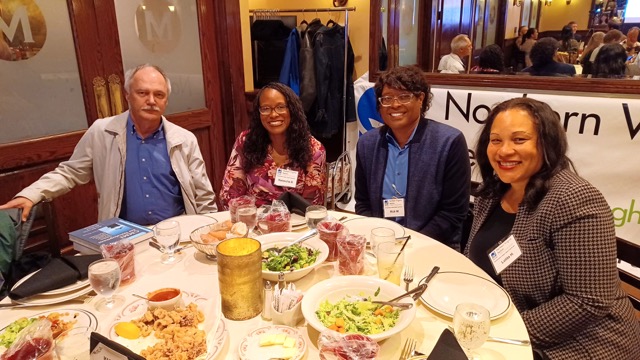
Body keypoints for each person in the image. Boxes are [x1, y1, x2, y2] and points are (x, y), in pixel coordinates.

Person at [466, 97, 640, 360]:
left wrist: (505, 331)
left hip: (586, 341)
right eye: (496, 140)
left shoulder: (574, 198)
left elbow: (588, 302)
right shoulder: (492, 192)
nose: (503, 151)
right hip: (504, 323)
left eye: (519, 140)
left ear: (547, 143)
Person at [0, 64, 217, 225]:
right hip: (125, 235)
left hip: (176, 230)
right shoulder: (102, 132)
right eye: (142, 93)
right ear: (127, 96)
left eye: (159, 95)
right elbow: (69, 172)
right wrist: (31, 194)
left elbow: (204, 194)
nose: (151, 100)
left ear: (166, 101)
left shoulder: (184, 139)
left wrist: (210, 231)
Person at [355, 66, 470, 250]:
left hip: (433, 246)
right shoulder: (367, 144)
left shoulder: (449, 142)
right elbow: (362, 203)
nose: (394, 105)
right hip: (379, 244)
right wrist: (377, 237)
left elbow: (453, 213)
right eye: (387, 98)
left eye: (404, 96)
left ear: (421, 99)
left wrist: (410, 244)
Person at [219, 82, 326, 208]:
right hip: (253, 221)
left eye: (281, 107)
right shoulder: (245, 141)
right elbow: (230, 194)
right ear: (258, 113)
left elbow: (312, 205)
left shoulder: (314, 149)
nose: (273, 114)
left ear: (292, 110)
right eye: (265, 109)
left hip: (296, 223)